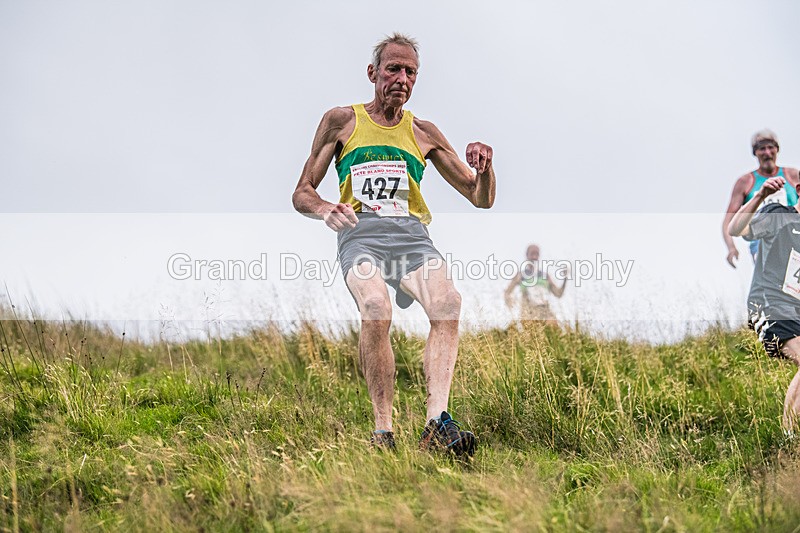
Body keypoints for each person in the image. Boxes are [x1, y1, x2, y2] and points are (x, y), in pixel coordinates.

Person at [292, 33, 496, 456]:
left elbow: (480, 197)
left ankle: (437, 425)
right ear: (373, 73)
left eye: (411, 72)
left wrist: (486, 169)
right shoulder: (341, 122)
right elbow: (302, 192)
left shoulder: (423, 132)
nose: (402, 79)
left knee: (448, 302)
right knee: (375, 308)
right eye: (393, 69)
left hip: (411, 238)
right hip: (361, 233)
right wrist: (326, 208)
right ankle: (383, 432)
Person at [728, 176, 800, 435]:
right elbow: (736, 229)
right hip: (769, 305)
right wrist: (759, 196)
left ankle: (791, 436)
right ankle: (789, 437)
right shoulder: (779, 216)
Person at [722, 129, 799, 267]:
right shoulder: (745, 182)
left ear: (777, 149)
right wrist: (731, 248)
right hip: (760, 242)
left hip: (792, 236)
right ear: (755, 152)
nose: (767, 153)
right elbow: (729, 221)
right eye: (762, 149)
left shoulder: (792, 175)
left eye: (771, 147)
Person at [504, 244, 567, 326]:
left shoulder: (545, 276)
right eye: (532, 253)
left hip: (545, 310)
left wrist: (565, 278)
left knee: (553, 327)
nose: (534, 257)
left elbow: (558, 294)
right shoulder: (521, 275)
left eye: (537, 254)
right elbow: (507, 292)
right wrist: (511, 302)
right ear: (527, 255)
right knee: (533, 331)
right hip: (528, 311)